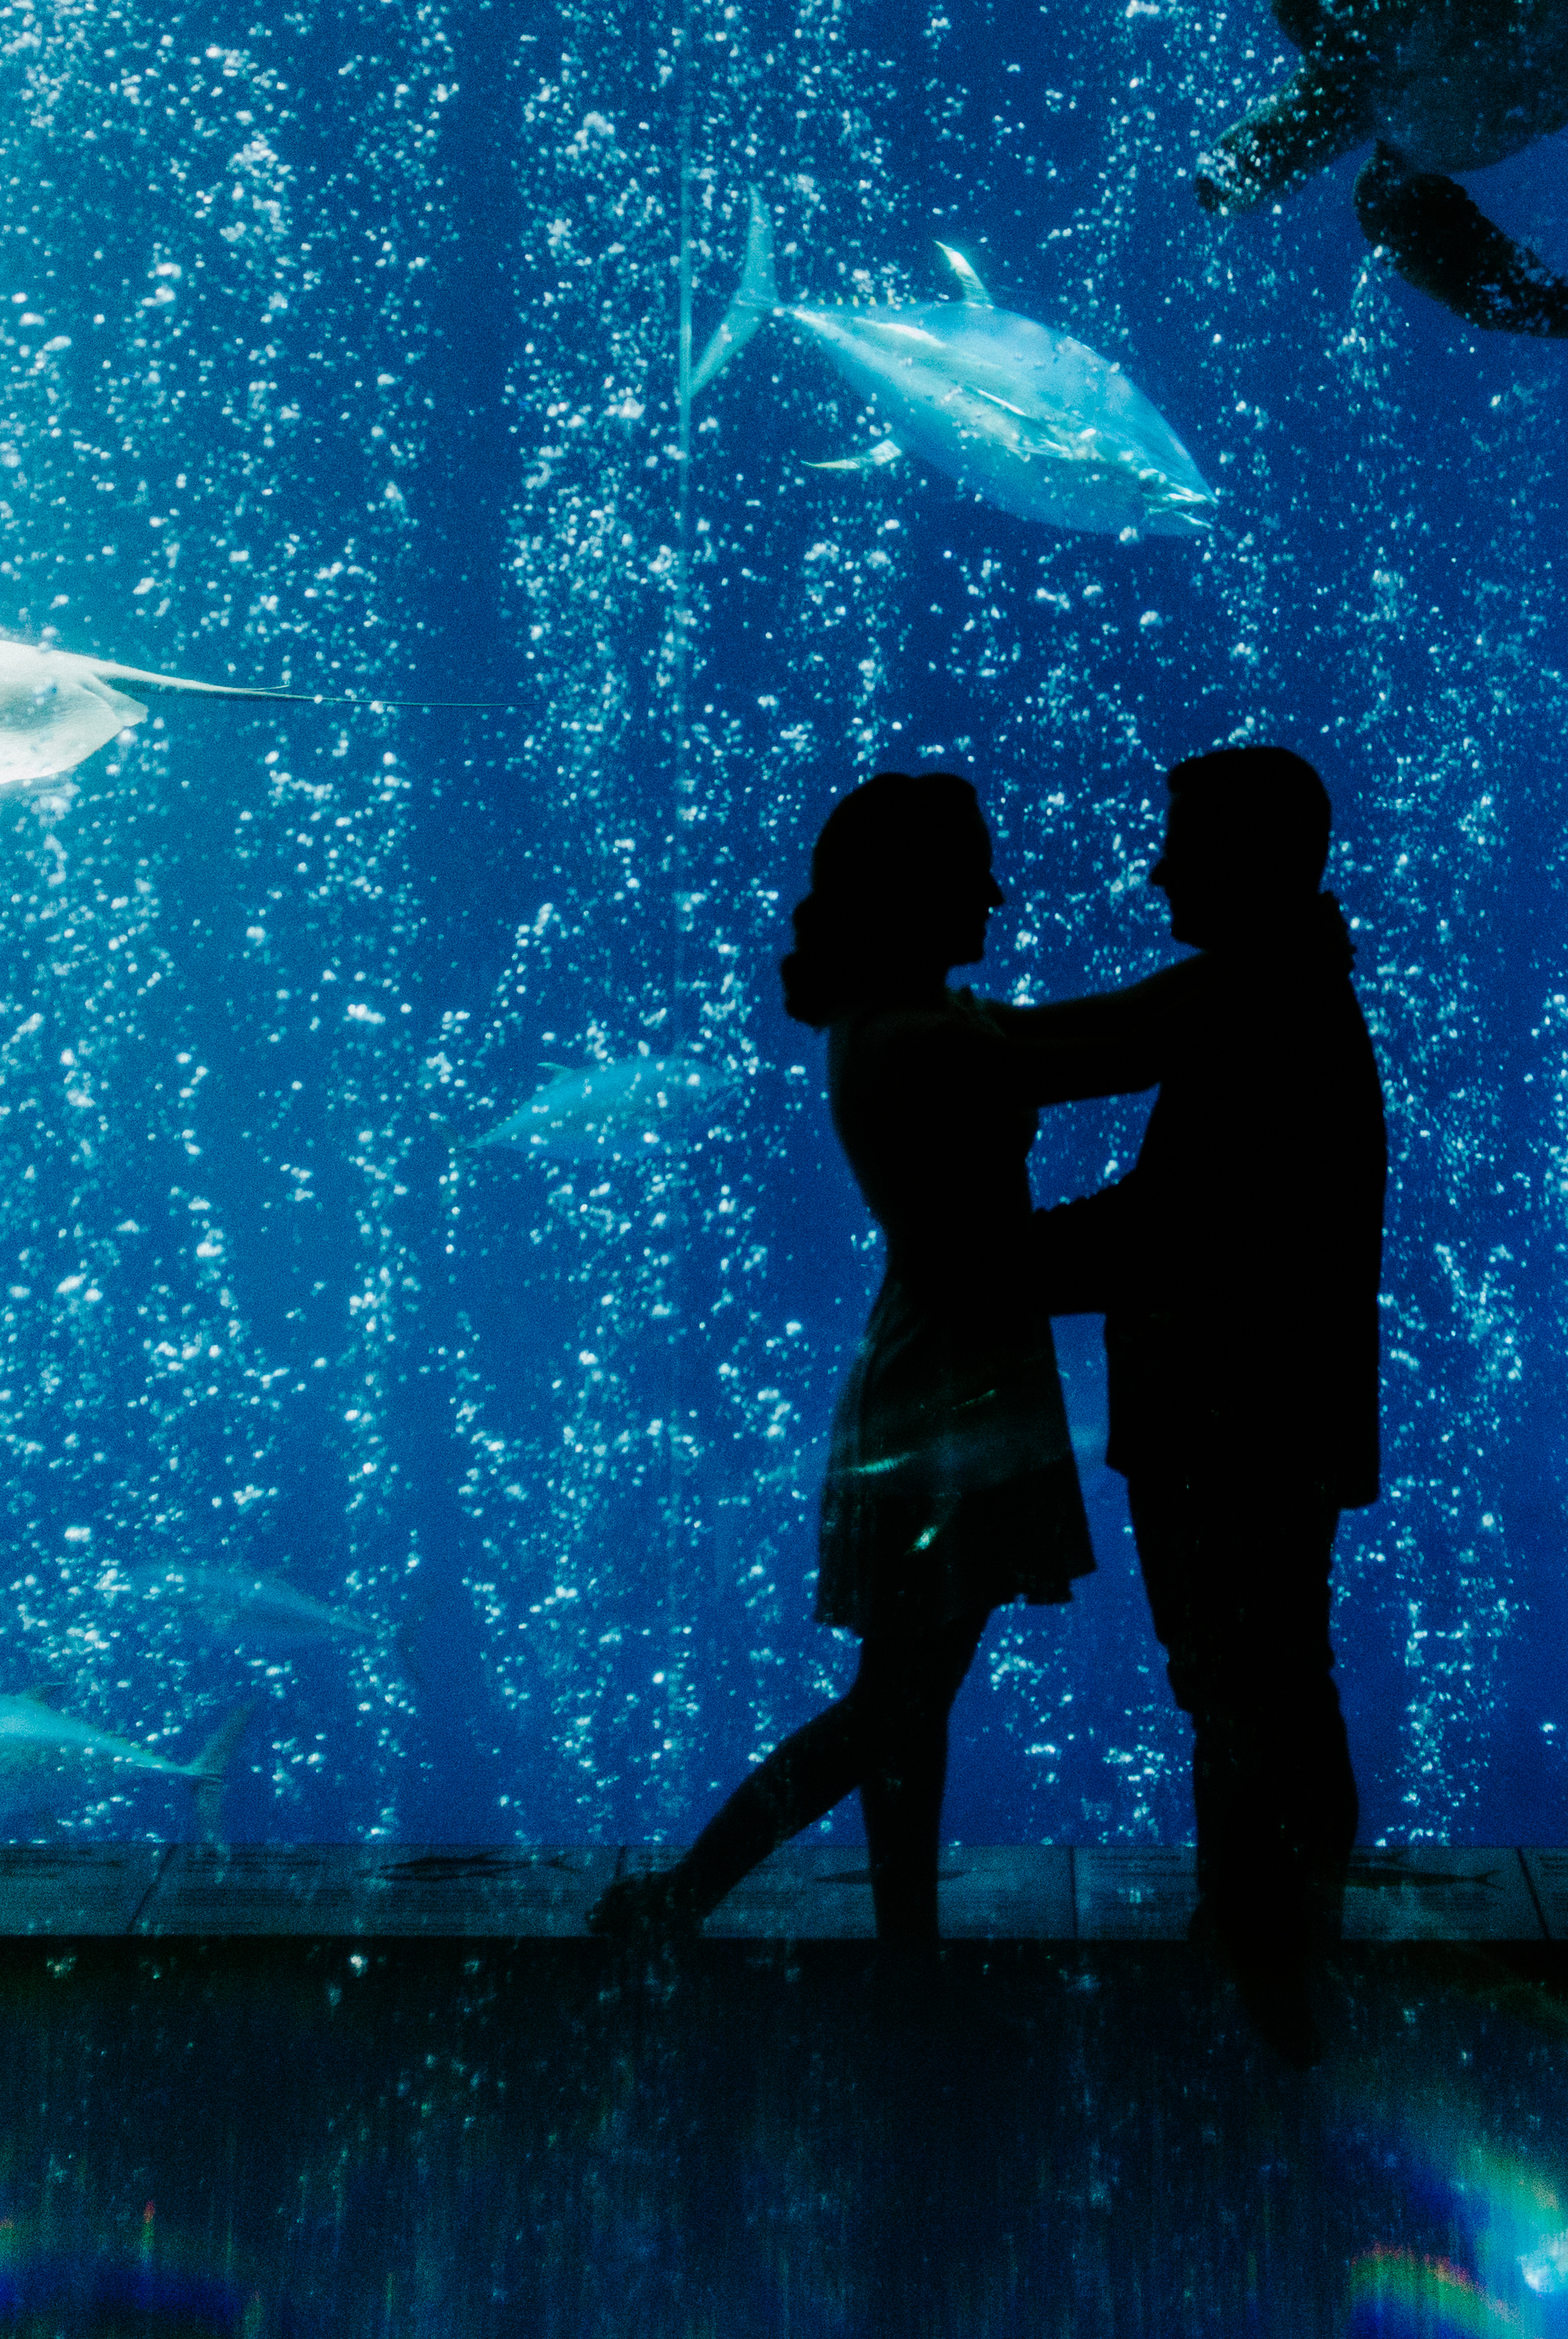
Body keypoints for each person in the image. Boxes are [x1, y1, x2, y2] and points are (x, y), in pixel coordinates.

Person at [593, 771, 1156, 1947]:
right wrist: (1257, 989)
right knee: (892, 1706)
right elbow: (1106, 1052)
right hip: (948, 1406)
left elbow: (1097, 1033)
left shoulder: (908, 1024)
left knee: (906, 1703)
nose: (999, 893)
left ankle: (892, 1936)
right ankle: (686, 1899)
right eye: (972, 871)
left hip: (947, 1386)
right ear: (914, 891)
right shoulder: (915, 1041)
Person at [1035, 745, 1386, 2064]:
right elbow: (1095, 1072)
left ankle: (1280, 1988)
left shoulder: (1257, 1001)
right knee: (1257, 1685)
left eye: (1183, 842)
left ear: (1246, 858)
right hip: (1259, 1419)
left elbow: (1155, 1220)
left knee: (1256, 1690)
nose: (1157, 865)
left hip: (1233, 1421)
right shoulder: (1279, 987)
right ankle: (1268, 1952)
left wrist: (980, 1261)